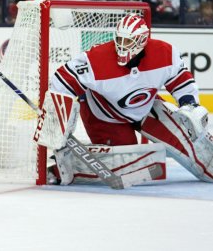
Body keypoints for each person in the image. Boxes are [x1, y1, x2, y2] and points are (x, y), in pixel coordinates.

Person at [45, 13, 212, 185]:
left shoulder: (165, 53)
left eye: (128, 41)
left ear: (141, 41)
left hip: (146, 107)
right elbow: (61, 80)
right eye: (120, 39)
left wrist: (189, 104)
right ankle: (62, 169)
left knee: (191, 137)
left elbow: (181, 80)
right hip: (105, 116)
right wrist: (57, 117)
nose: (121, 46)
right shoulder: (97, 58)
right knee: (130, 165)